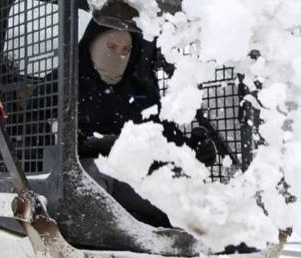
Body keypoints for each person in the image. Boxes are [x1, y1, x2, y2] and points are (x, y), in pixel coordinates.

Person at [76, 20, 217, 226]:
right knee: (94, 175)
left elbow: (166, 138)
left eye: (126, 50)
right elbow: (37, 144)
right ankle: (100, 239)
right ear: (92, 44)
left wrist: (195, 152)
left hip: (137, 181)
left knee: (189, 197)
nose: (118, 56)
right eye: (111, 47)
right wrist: (93, 145)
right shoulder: (64, 85)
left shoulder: (141, 94)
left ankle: (185, 243)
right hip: (89, 182)